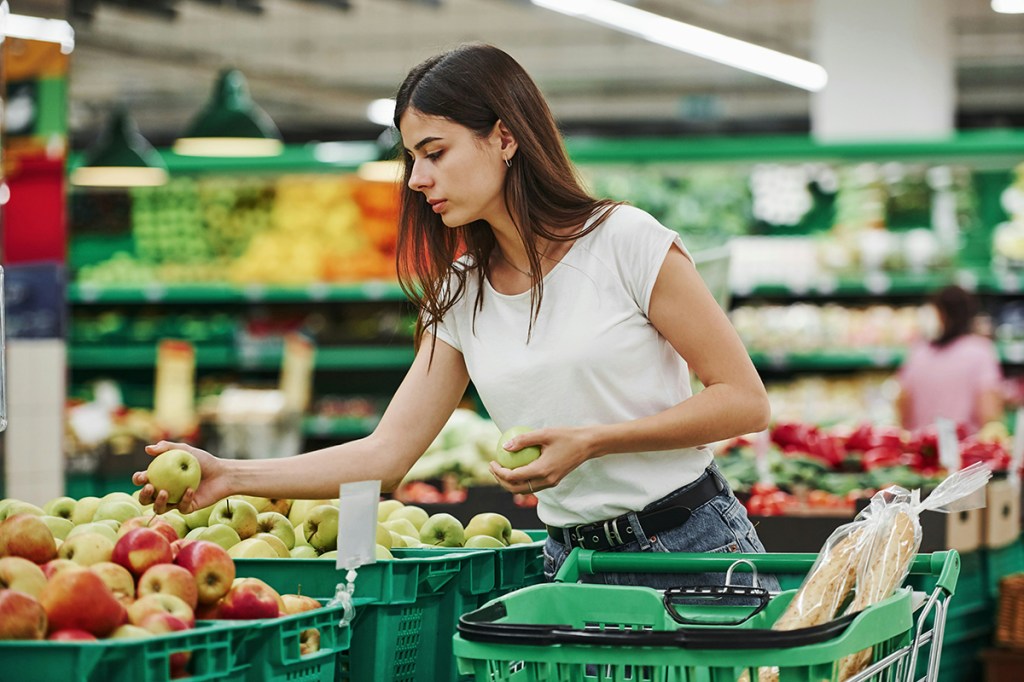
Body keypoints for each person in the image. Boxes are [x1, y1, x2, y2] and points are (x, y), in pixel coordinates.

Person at [136, 43, 777, 593]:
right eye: (412, 157)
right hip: (570, 565)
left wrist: (595, 440)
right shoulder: (460, 292)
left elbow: (744, 402)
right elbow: (385, 456)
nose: (417, 178)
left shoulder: (625, 241)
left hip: (691, 548)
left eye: (435, 152)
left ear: (504, 136)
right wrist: (230, 475)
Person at [897, 284, 1004, 434]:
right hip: (966, 451)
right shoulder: (980, 351)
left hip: (920, 449)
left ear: (939, 314)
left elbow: (903, 409)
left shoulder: (918, 353)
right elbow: (989, 414)